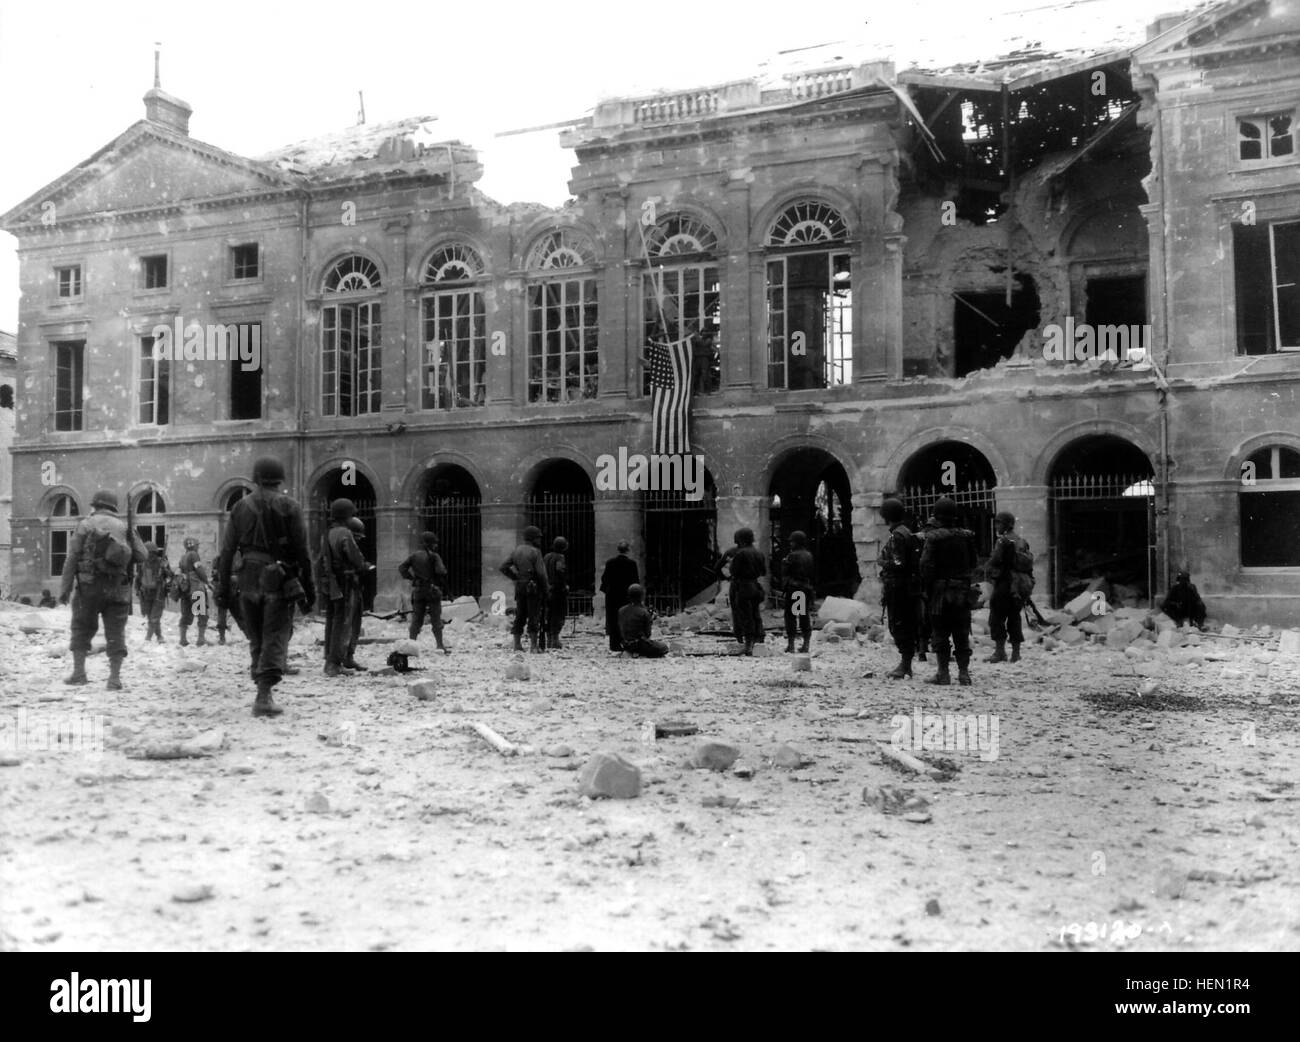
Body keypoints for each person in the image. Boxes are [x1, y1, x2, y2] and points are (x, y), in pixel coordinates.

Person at [217, 457, 313, 716]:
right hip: (278, 578)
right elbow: (303, 551)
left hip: (247, 577)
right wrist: (309, 587)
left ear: (255, 478)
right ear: (280, 479)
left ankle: (262, 690)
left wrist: (223, 588)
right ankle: (264, 695)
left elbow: (226, 552)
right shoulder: (290, 505)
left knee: (257, 636)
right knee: (276, 634)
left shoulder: (239, 507)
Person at [58, 489, 147, 690]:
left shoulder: (86, 524)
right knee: (116, 632)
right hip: (118, 588)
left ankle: (79, 673)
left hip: (88, 587)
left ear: (95, 505)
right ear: (114, 507)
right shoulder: (124, 527)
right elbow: (142, 555)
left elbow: (71, 558)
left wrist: (64, 589)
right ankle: (114, 679)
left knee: (81, 628)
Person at [919, 496, 977, 686]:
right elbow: (974, 563)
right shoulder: (966, 537)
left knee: (940, 633)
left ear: (936, 516)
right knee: (961, 633)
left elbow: (925, 566)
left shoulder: (934, 538)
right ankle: (964, 674)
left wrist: (926, 589)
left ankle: (943, 673)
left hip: (940, 592)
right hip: (962, 591)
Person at [321, 500, 368, 676]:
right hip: (345, 582)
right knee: (346, 621)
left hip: (331, 582)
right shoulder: (345, 533)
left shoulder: (327, 532)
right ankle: (335, 662)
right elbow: (355, 557)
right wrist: (364, 566)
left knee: (333, 620)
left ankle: (335, 658)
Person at [879, 498, 923, 679]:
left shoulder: (897, 535)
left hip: (898, 587)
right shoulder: (906, 532)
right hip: (905, 586)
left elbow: (898, 563)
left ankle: (905, 665)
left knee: (899, 624)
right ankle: (906, 663)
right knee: (906, 623)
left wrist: (882, 562)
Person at [985, 510, 1031, 664]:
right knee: (1014, 617)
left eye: (998, 522)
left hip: (1004, 584)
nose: (996, 525)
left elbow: (994, 560)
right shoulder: (1021, 540)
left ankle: (1000, 652)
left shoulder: (1002, 541)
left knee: (996, 617)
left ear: (1006, 524)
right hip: (1017, 585)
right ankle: (1016, 654)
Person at [399, 531, 449, 654]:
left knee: (416, 620)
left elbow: (402, 568)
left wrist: (412, 578)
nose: (436, 546)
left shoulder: (414, 556)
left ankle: (411, 645)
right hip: (432, 591)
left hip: (419, 591)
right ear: (431, 544)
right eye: (435, 543)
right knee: (436, 619)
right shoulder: (434, 556)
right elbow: (441, 571)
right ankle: (440, 645)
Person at [500, 525, 549, 653]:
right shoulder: (535, 552)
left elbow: (503, 567)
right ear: (533, 538)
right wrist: (546, 589)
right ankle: (533, 646)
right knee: (534, 615)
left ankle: (517, 644)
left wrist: (515, 577)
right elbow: (541, 573)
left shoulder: (517, 550)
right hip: (533, 587)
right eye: (538, 538)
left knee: (520, 614)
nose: (540, 540)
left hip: (520, 586)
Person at [725, 527, 767, 655]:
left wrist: (731, 564)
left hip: (743, 586)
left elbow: (733, 571)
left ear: (741, 540)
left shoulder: (741, 553)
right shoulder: (759, 553)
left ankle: (749, 645)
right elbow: (763, 572)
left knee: (746, 616)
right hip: (756, 586)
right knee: (756, 613)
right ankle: (759, 639)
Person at [599, 540, 639, 653]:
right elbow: (635, 581)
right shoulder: (632, 564)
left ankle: (613, 644)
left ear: (618, 550)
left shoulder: (610, 562)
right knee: (625, 619)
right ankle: (625, 643)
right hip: (626, 596)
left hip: (612, 595)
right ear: (628, 550)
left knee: (612, 619)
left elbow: (604, 579)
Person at [781, 530, 815, 654]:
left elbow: (786, 572)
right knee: (803, 614)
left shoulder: (792, 556)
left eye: (792, 541)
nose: (790, 544)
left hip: (795, 589)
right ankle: (805, 644)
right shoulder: (808, 555)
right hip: (805, 588)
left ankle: (791, 645)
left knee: (791, 617)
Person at [177, 537, 212, 646]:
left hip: (185, 590)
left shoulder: (182, 557)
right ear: (194, 545)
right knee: (202, 613)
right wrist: (206, 581)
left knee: (186, 614)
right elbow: (199, 569)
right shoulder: (194, 555)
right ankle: (201, 639)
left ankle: (183, 639)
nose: (198, 546)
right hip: (196, 589)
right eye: (197, 545)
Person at [618, 583, 668, 657]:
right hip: (640, 645)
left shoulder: (621, 610)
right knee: (664, 647)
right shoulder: (644, 612)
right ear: (642, 596)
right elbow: (648, 634)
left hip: (625, 644)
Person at [136, 541, 172, 642]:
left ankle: (148, 638)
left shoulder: (161, 562)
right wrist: (138, 591)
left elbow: (170, 576)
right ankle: (159, 636)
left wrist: (165, 569)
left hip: (158, 593)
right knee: (150, 617)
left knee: (154, 617)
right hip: (145, 593)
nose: (150, 555)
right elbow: (138, 578)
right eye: (148, 553)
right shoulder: (142, 564)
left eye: (152, 553)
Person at [542, 536, 569, 651]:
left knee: (548, 614)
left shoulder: (546, 556)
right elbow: (560, 570)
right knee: (558, 614)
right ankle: (555, 639)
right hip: (557, 589)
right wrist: (564, 585)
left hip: (547, 589)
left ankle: (548, 638)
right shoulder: (560, 557)